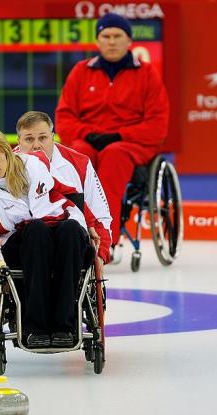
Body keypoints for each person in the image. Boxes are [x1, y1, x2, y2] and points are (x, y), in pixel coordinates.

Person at [0, 126, 89, 348]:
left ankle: (65, 325)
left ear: (6, 150)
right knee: (36, 231)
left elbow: (57, 201)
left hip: (61, 233)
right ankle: (34, 327)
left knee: (69, 229)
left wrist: (94, 229)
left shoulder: (33, 165)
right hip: (22, 246)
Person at [55, 12, 169, 254]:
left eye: (118, 36)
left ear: (129, 41)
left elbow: (157, 125)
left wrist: (119, 135)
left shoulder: (147, 74)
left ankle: (106, 241)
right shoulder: (80, 71)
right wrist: (87, 134)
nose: (112, 41)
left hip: (130, 144)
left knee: (113, 156)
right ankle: (72, 235)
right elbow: (64, 119)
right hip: (89, 140)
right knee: (77, 156)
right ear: (98, 41)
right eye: (106, 36)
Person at [15, 111, 112, 264]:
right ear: (19, 142)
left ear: (52, 138)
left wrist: (101, 254)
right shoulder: (5, 166)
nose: (36, 145)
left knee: (70, 230)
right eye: (29, 139)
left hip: (71, 243)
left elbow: (100, 214)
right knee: (36, 231)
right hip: (27, 246)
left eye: (42, 138)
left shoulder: (80, 164)